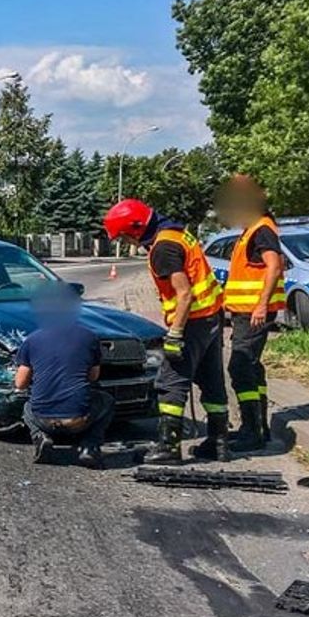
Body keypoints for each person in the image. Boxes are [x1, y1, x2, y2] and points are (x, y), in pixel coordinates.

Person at [104, 198, 229, 464]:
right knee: (212, 380)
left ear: (136, 228)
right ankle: (219, 442)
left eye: (125, 237)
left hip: (191, 321)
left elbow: (184, 294)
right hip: (211, 319)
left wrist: (175, 334)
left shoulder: (163, 248)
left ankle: (169, 446)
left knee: (170, 382)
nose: (128, 244)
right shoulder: (177, 234)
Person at [217, 174, 286, 451]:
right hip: (247, 312)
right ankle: (260, 426)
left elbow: (274, 266)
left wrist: (260, 304)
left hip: (254, 312)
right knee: (252, 367)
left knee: (240, 366)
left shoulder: (262, 229)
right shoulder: (253, 229)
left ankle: (251, 431)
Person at [14, 284, 114, 469]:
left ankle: (41, 437)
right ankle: (89, 448)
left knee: (27, 405)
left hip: (42, 418)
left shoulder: (32, 339)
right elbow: (93, 376)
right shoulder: (89, 337)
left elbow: (20, 383)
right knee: (106, 401)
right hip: (78, 420)